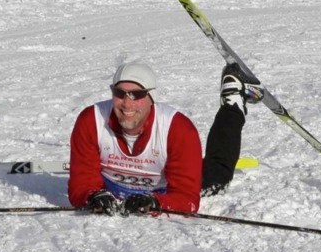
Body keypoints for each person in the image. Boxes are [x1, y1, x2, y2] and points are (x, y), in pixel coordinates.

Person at [68, 61, 262, 215]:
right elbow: (82, 182)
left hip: (166, 187)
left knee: (217, 170)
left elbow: (187, 198)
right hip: (112, 185)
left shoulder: (178, 129)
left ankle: (233, 100)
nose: (127, 103)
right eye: (120, 93)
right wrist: (92, 195)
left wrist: (154, 202)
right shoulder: (91, 120)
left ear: (152, 96)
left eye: (137, 95)